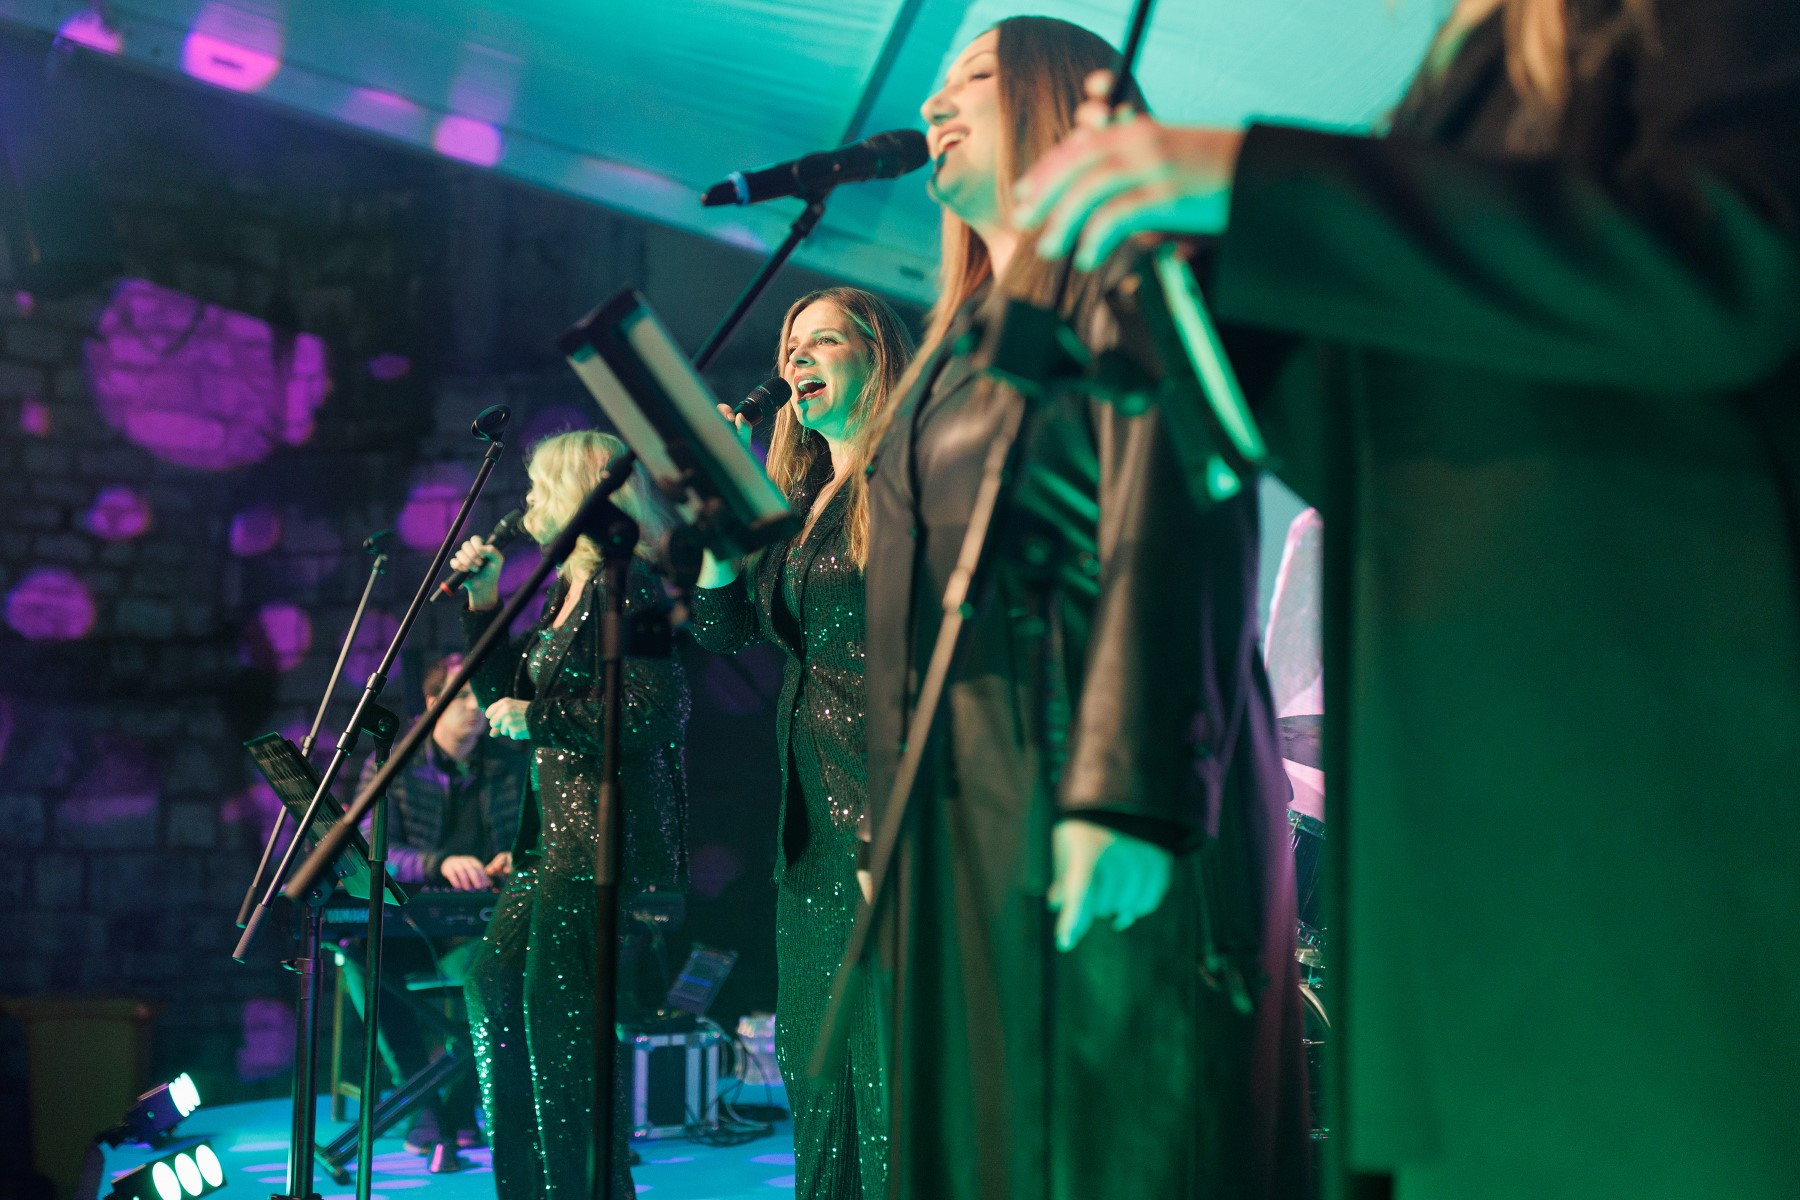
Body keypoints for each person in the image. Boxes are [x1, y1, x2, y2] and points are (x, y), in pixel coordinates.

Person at [1011, 1, 1800, 1197]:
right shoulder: (1455, 74)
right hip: (1456, 829)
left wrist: (1263, 184)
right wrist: (1207, 305)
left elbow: (1729, 260)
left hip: (1645, 798)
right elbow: (1386, 441)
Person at [860, 17, 1310, 1200]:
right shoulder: (952, 351)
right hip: (971, 804)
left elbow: (1176, 522)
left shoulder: (1133, 279)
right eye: (933, 86)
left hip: (1098, 772)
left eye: (972, 77)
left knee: (1116, 1139)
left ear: (1056, 99)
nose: (932, 105)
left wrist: (1126, 793)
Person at [689, 287, 914, 1200]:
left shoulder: (907, 482)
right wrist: (717, 527)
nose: (797, 361)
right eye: (790, 349)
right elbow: (723, 630)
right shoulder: (800, 503)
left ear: (877, 356)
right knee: (818, 1081)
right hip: (811, 836)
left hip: (887, 817)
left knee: (892, 1081)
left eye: (823, 342)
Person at [451, 430, 691, 1200]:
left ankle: (586, 1188)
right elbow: (500, 702)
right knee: (493, 986)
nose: (526, 504)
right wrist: (483, 603)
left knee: (561, 1027)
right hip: (549, 843)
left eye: (538, 487)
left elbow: (658, 708)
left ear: (586, 488)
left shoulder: (635, 584)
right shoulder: (563, 591)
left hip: (601, 845)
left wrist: (543, 717)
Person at [342, 652, 527, 1155]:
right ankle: (419, 1098)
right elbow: (374, 847)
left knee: (502, 969)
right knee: (360, 957)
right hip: (413, 924)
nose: (475, 706)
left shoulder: (510, 765)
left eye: (480, 696)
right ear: (432, 702)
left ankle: (463, 1101)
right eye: (462, 695)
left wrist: (514, 857)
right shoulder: (393, 764)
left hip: (479, 925)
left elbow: (531, 840)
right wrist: (439, 864)